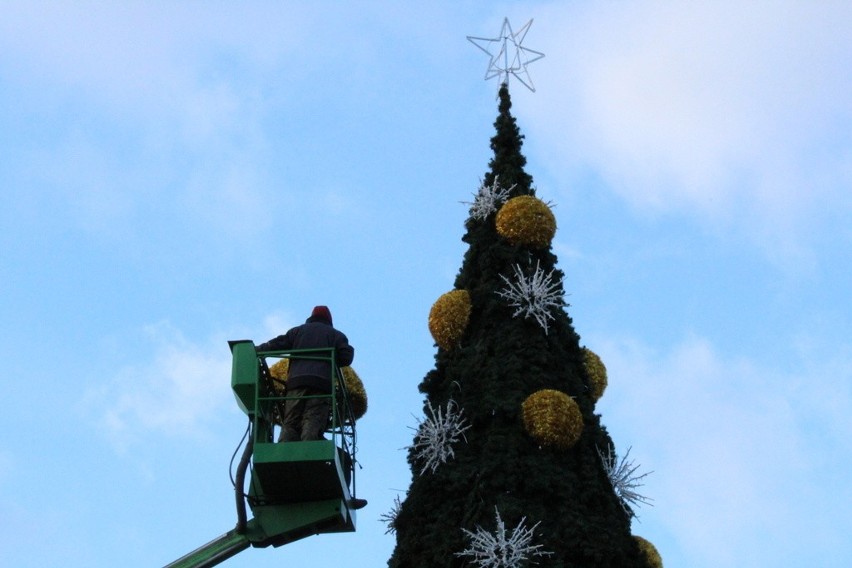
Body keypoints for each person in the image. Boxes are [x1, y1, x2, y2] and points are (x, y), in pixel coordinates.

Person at [255, 305, 355, 443]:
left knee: (290, 421)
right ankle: (309, 452)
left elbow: (276, 344)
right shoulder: (337, 335)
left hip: (296, 383)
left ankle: (285, 449)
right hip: (321, 385)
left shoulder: (297, 331)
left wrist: (257, 350)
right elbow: (346, 358)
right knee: (312, 419)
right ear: (329, 320)